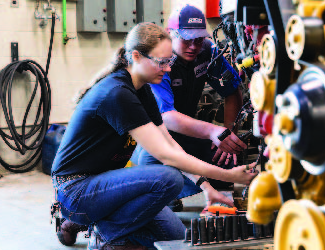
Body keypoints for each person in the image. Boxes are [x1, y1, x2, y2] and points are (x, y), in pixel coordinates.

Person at [51, 22, 257, 250]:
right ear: (137, 56)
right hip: (76, 191)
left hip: (105, 187)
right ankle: (103, 233)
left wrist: (207, 188)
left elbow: (172, 145)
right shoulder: (118, 94)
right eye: (162, 62)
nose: (168, 69)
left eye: (169, 62)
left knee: (176, 238)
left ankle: (99, 225)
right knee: (169, 178)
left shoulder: (143, 89)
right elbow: (166, 156)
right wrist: (229, 175)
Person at [132, 4, 247, 209]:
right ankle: (169, 192)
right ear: (170, 34)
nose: (193, 46)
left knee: (229, 162)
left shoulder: (208, 52)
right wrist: (213, 130)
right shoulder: (160, 61)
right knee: (154, 171)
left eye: (199, 39)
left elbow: (232, 91)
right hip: (154, 136)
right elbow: (166, 116)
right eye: (186, 39)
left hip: (187, 133)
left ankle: (177, 188)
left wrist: (229, 133)